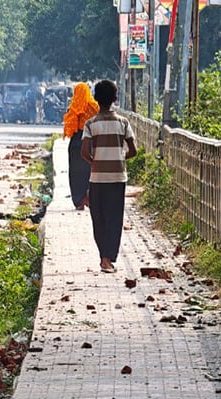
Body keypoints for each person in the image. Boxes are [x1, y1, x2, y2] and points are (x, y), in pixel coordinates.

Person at [80, 80, 137, 274]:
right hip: (118, 178)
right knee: (114, 217)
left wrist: (96, 162)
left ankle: (103, 257)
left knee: (99, 217)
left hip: (97, 178)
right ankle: (109, 257)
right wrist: (120, 158)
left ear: (96, 99)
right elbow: (133, 150)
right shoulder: (123, 122)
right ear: (115, 99)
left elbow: (84, 152)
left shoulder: (90, 124)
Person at [63, 83, 99, 210]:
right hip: (91, 141)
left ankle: (79, 200)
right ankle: (90, 198)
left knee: (75, 171)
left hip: (77, 141)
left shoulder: (73, 107)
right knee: (90, 170)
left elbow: (69, 127)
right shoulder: (95, 107)